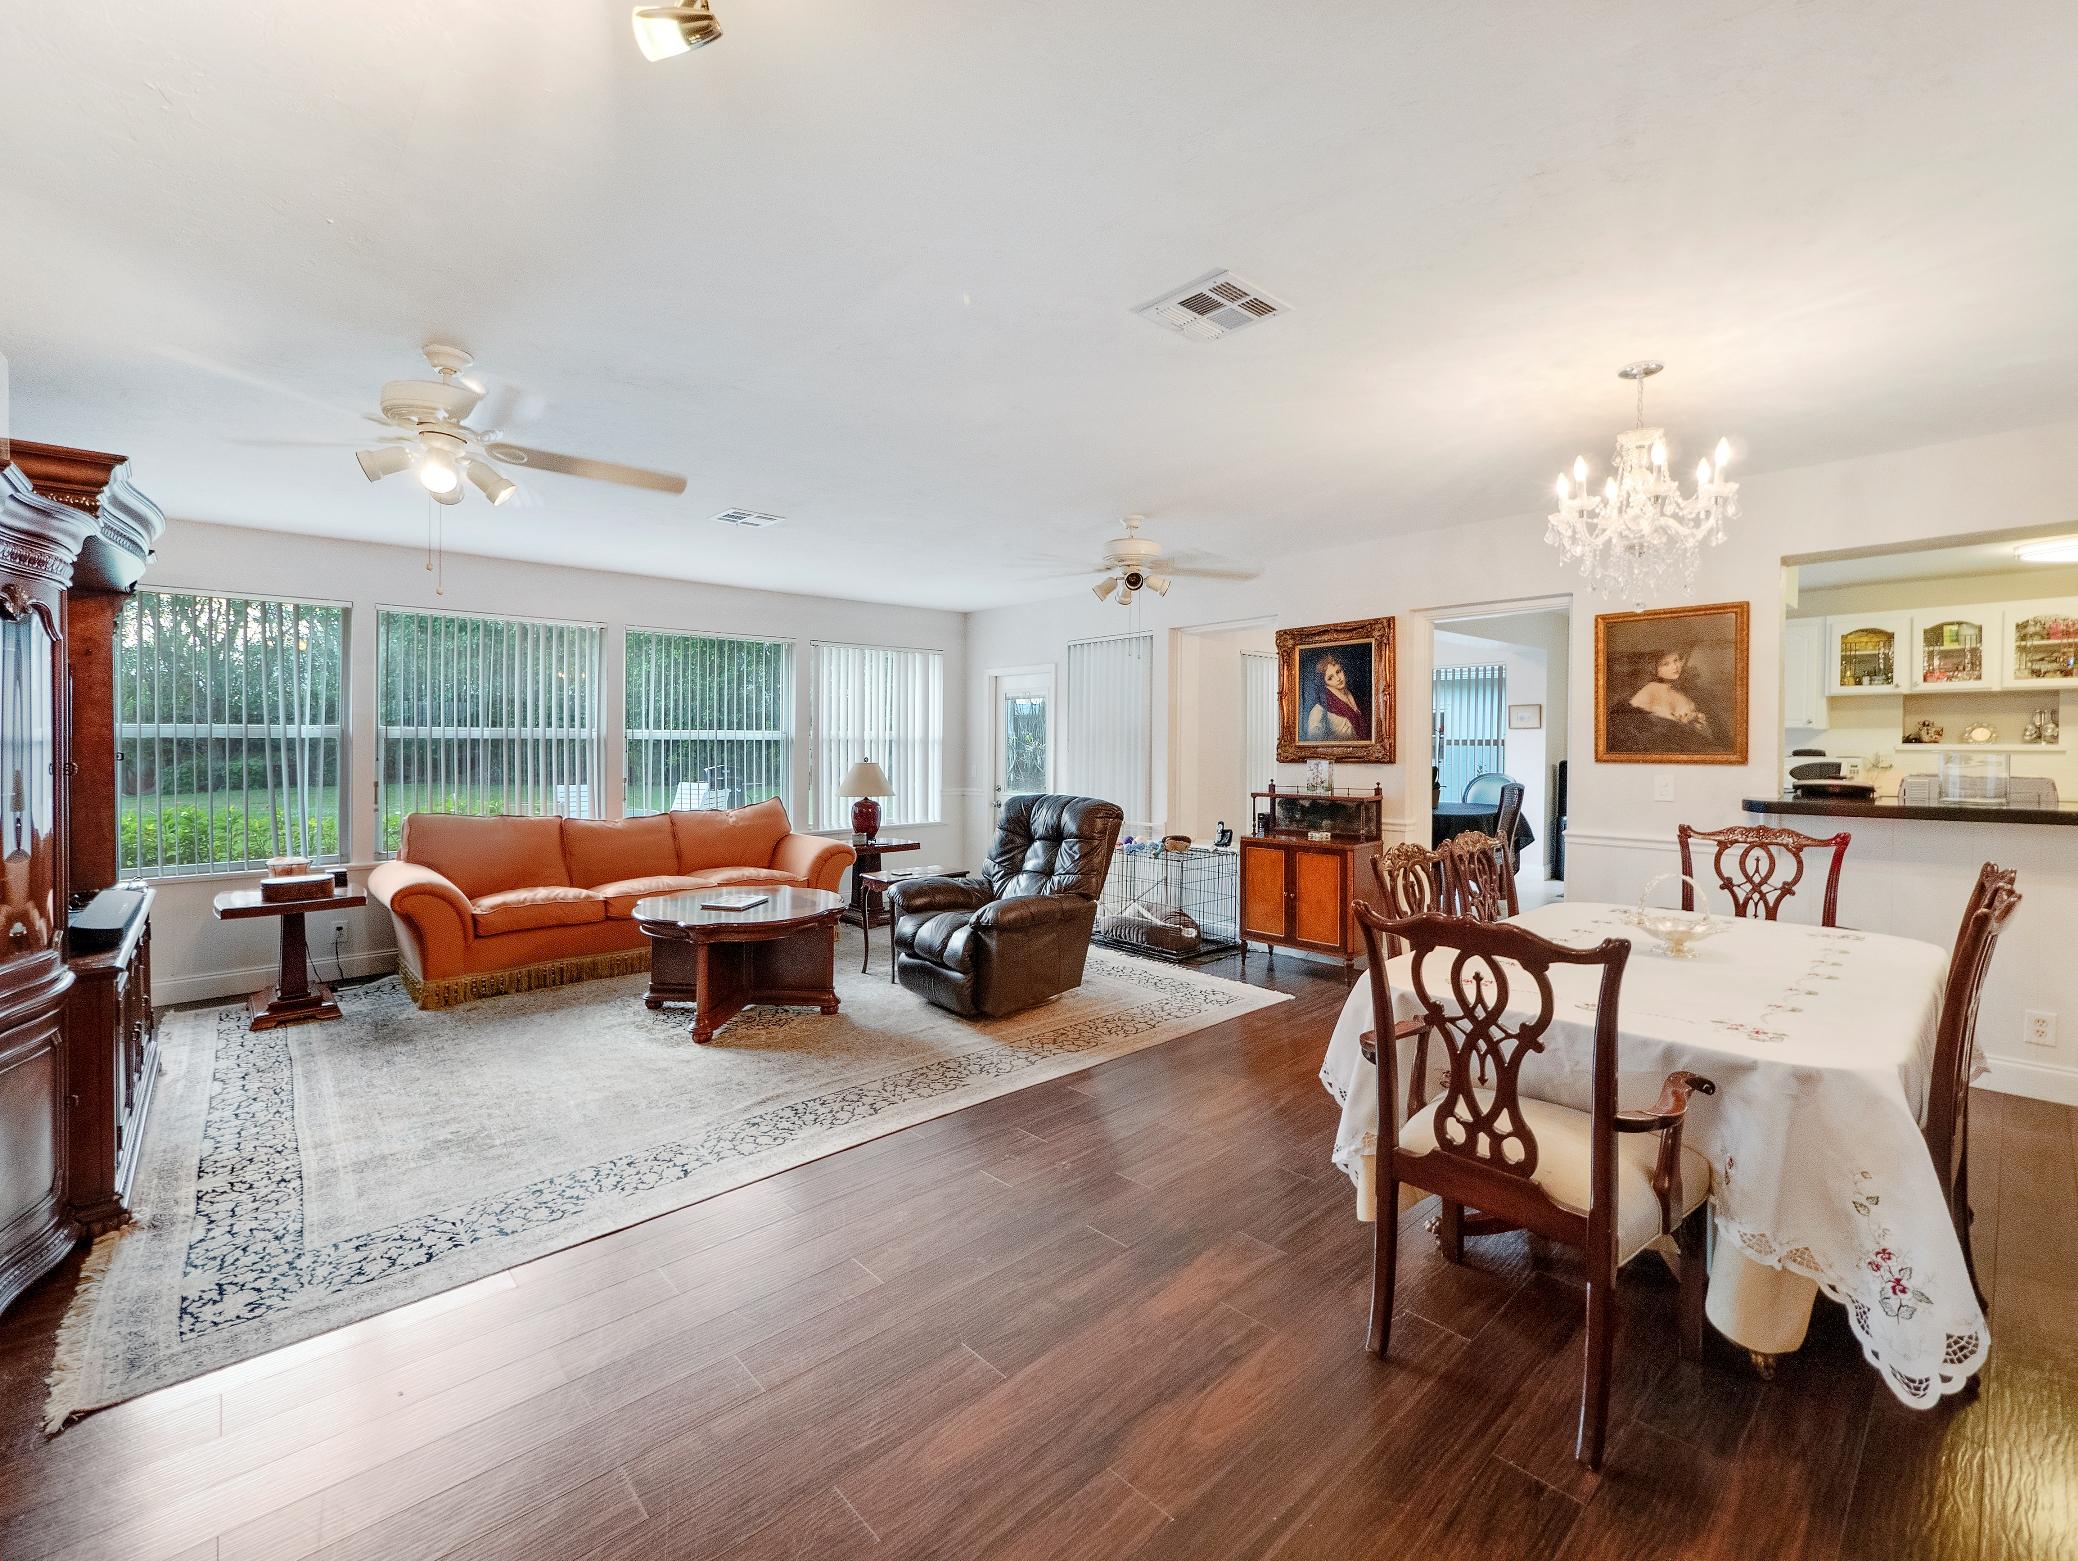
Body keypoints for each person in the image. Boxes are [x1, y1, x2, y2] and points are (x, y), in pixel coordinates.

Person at [1304, 653, 1368, 741]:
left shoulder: (1355, 696)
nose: (1338, 679)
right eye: (1330, 678)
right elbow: (1313, 741)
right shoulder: (1320, 709)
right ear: (1325, 683)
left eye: (1338, 671)